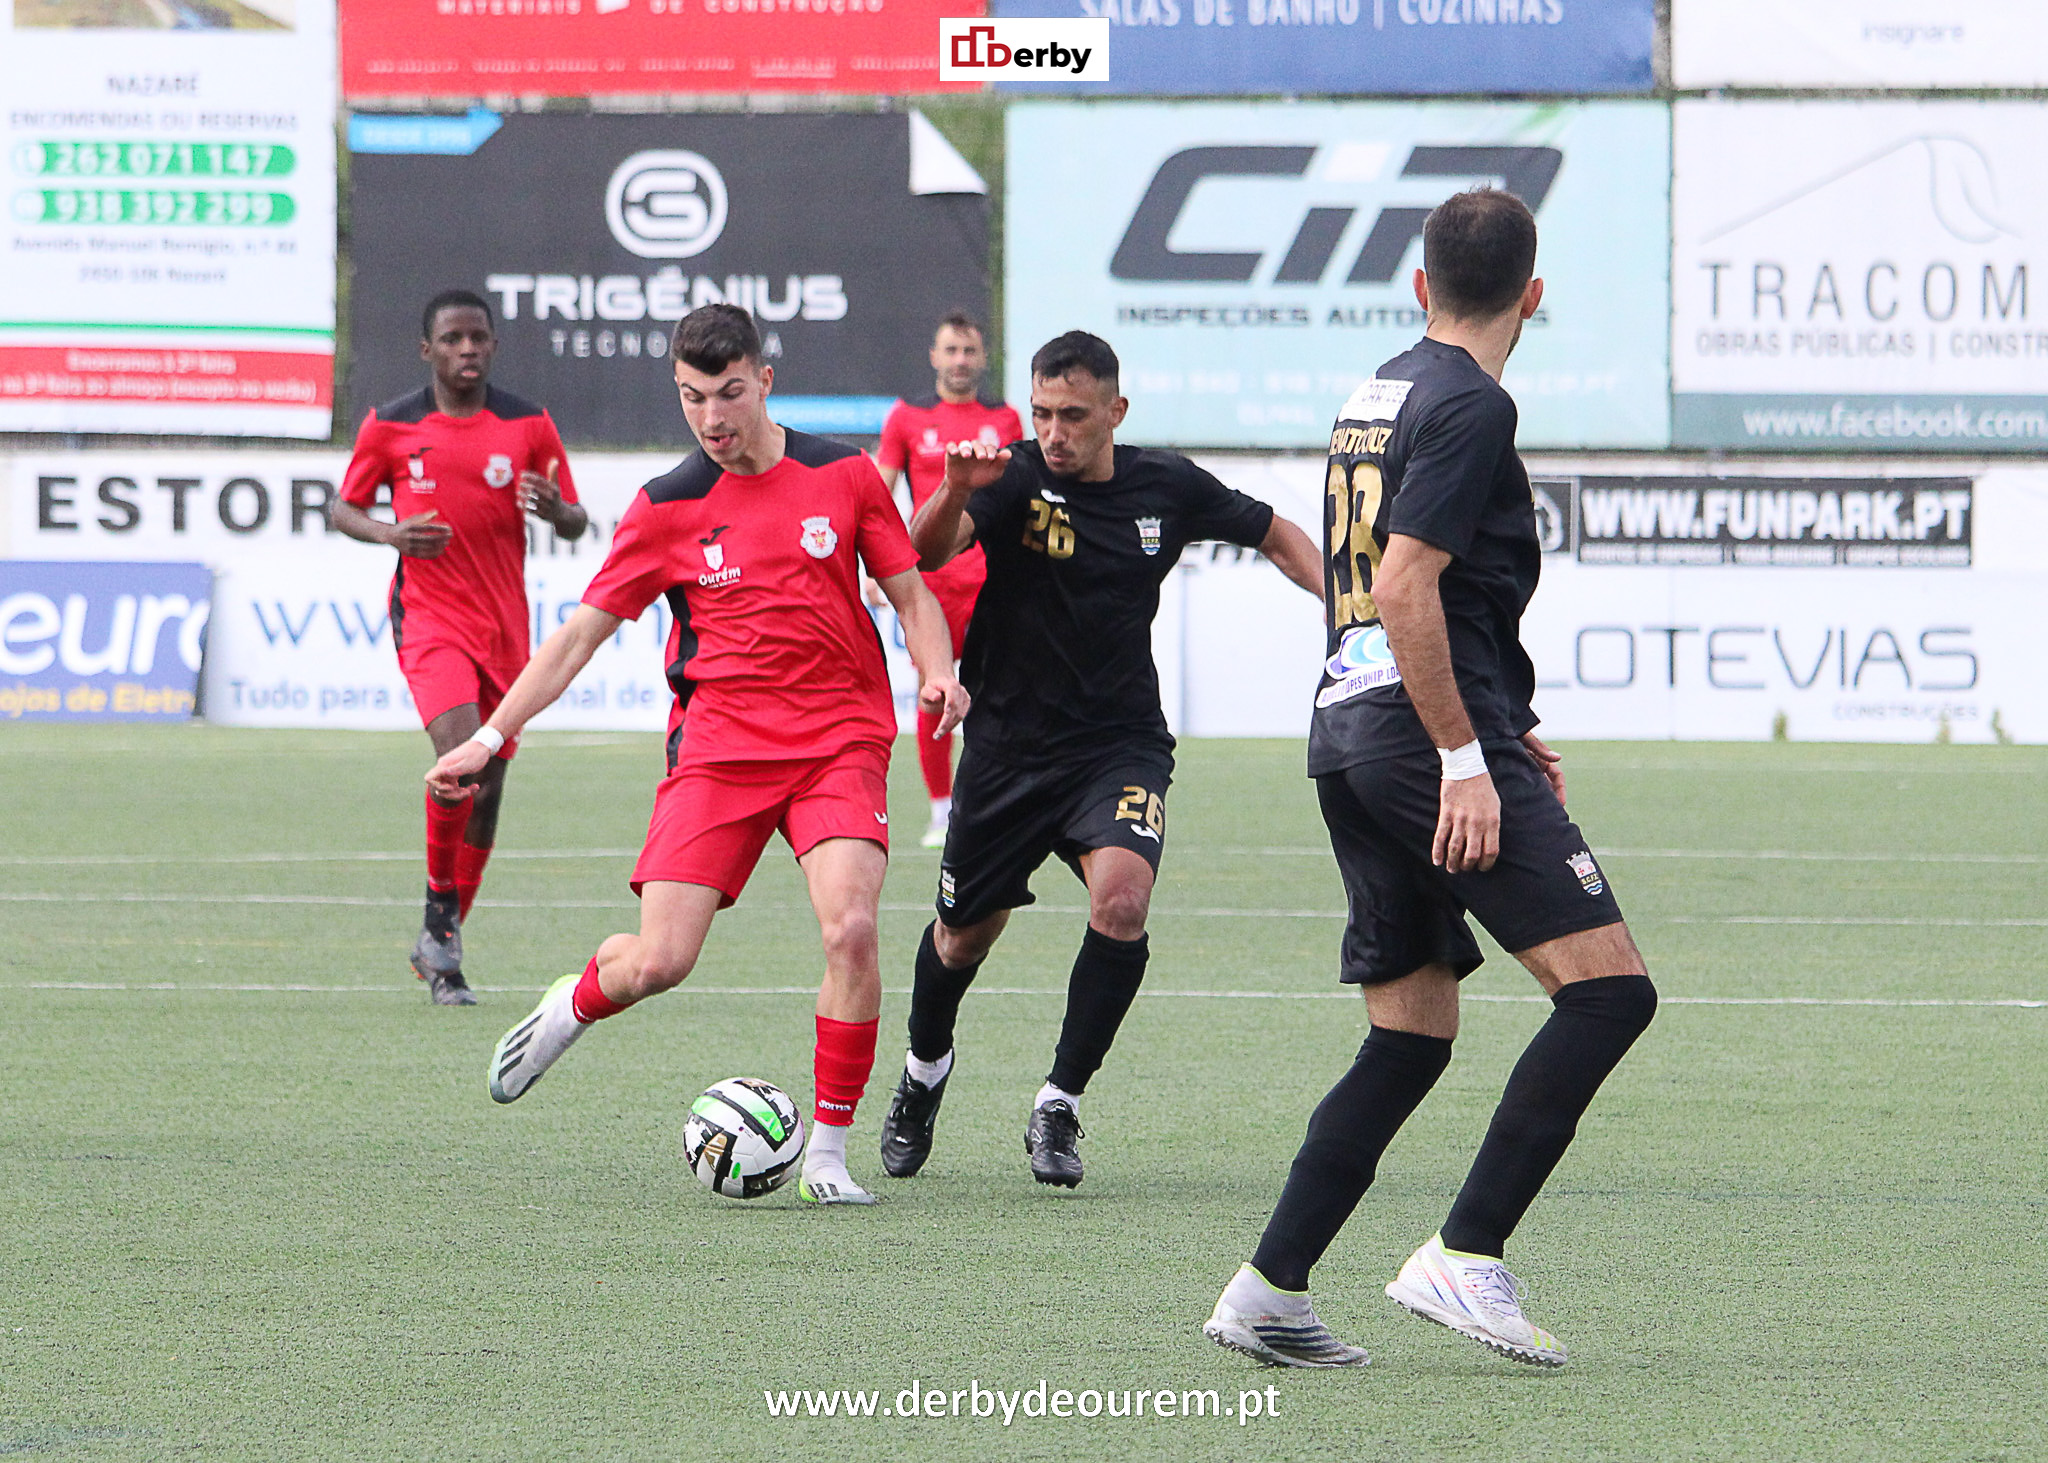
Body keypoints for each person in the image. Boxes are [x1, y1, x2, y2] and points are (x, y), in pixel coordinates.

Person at [1202, 188, 1657, 1370]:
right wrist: (1466, 753)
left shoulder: (1378, 391)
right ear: (1533, 295)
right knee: (1608, 993)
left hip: (1350, 733)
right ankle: (1464, 1253)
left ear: (1417, 286)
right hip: (1418, 740)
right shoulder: (1473, 402)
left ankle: (1266, 1290)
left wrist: (1503, 720)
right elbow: (1405, 584)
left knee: (1408, 1033)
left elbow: (1396, 594)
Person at [430, 304, 968, 1206]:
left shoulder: (844, 475)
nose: (712, 418)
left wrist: (939, 671)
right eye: (690, 398)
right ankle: (578, 1000)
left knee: (853, 928)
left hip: (839, 737)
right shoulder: (666, 507)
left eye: (727, 393)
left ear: (765, 378)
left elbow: (911, 591)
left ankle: (828, 1157)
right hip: (719, 751)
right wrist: (488, 738)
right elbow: (575, 640)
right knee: (660, 962)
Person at [876, 330, 1324, 1189]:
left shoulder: (1168, 485)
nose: (1053, 432)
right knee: (962, 936)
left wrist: (1348, 605)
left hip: (1117, 745)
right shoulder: (1007, 474)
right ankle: (924, 1071)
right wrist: (950, 487)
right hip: (1006, 748)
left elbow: (1274, 531)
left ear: (1115, 412)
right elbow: (925, 554)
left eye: (1073, 415)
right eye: (1042, 412)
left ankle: (1060, 1100)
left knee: (1122, 899)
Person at [334, 289, 588, 1006]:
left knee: (492, 785)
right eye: (452, 339)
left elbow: (573, 518)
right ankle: (443, 936)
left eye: (478, 338)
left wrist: (557, 510)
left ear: (493, 346)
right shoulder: (391, 425)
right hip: (429, 617)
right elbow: (341, 505)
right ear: (428, 350)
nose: (467, 349)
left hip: (505, 623)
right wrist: (388, 533)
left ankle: (438, 932)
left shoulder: (529, 423)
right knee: (459, 760)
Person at [873, 311, 1024, 849]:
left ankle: (988, 804)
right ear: (934, 357)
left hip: (991, 582)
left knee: (997, 695)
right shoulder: (908, 418)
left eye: (969, 351)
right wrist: (879, 566)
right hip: (929, 586)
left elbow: (1019, 499)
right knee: (933, 693)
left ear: (982, 358)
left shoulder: (1005, 420)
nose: (960, 361)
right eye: (951, 351)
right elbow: (879, 492)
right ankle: (942, 812)